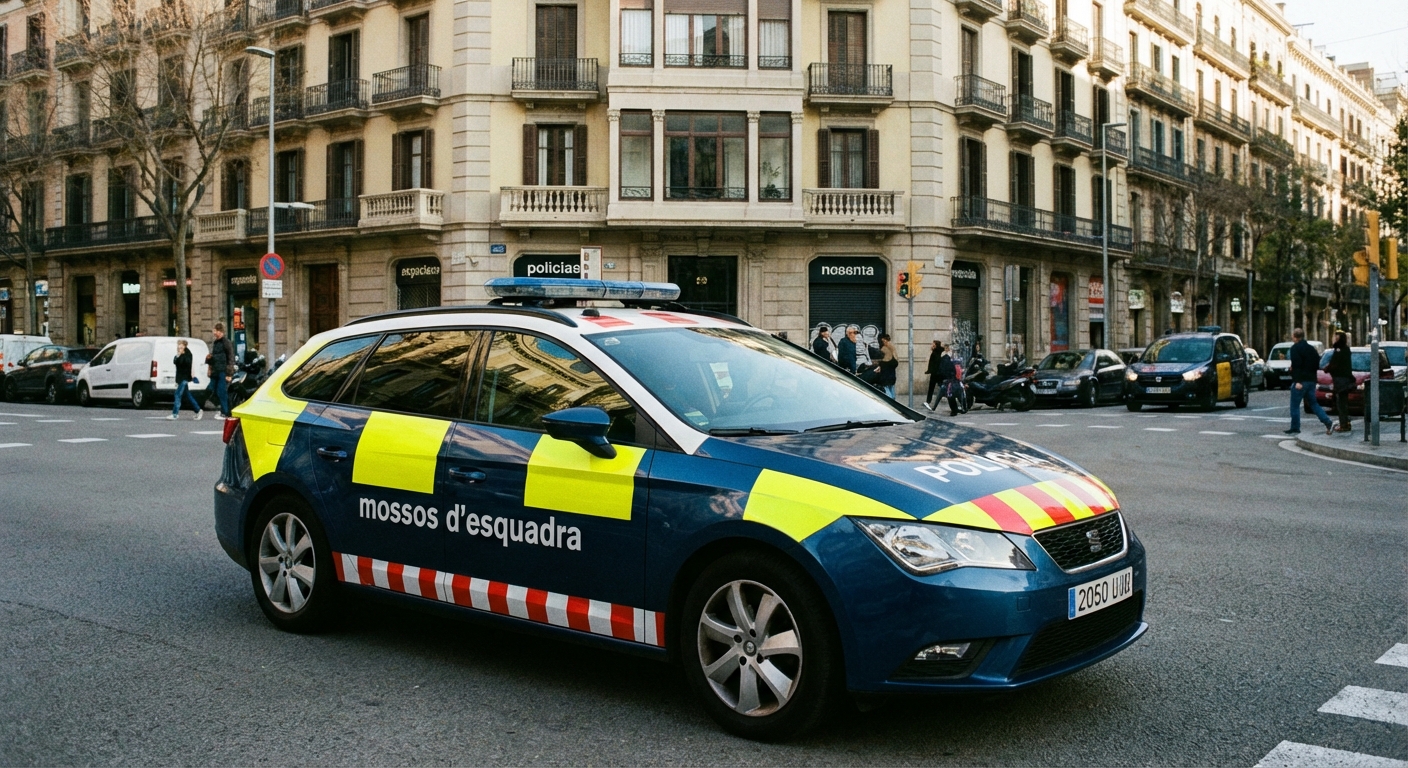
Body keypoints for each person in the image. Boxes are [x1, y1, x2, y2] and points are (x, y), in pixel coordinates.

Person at [1285, 327, 1333, 436]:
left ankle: (1295, 427)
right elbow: (1317, 363)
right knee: (1313, 403)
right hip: (1311, 380)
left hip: (1300, 381)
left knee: (1295, 405)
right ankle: (1327, 421)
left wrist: (1297, 380)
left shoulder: (1295, 348)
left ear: (1295, 337)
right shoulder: (1311, 349)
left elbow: (1297, 365)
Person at [168, 340, 203, 421]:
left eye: (181, 346)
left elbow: (185, 363)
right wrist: (178, 355)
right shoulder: (179, 354)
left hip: (184, 378)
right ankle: (198, 410)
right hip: (180, 378)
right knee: (187, 395)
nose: (179, 347)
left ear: (184, 346)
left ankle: (175, 414)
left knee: (177, 395)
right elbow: (175, 362)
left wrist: (180, 356)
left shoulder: (188, 354)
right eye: (178, 346)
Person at [1326, 331, 1354, 433]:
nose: (1333, 339)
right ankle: (1346, 423)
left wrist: (1327, 369)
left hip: (1340, 380)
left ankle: (1344, 425)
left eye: (1335, 337)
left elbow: (1334, 363)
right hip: (1346, 379)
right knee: (1343, 402)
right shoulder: (1346, 349)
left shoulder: (1339, 350)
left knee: (1341, 403)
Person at [209, 322, 236, 421]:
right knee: (211, 389)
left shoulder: (226, 342)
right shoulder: (216, 343)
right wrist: (209, 360)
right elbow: (216, 356)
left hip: (222, 370)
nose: (214, 333)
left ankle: (225, 412)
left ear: (220, 331)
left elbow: (230, 357)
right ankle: (222, 409)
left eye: (215, 331)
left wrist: (229, 373)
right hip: (216, 370)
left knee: (221, 391)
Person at [937, 343, 963, 416]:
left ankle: (956, 409)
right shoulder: (946, 357)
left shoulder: (948, 358)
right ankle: (955, 410)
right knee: (951, 394)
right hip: (950, 379)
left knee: (951, 394)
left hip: (951, 379)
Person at [923, 337, 944, 410]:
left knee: (932, 387)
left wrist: (930, 370)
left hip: (935, 373)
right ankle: (928, 401)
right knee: (941, 385)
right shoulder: (938, 352)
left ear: (935, 345)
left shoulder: (935, 353)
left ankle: (928, 401)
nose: (932, 345)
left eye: (933, 344)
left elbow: (932, 363)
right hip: (937, 372)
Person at [876, 334, 899, 399]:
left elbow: (883, 361)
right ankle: (893, 400)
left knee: (886, 388)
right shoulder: (892, 348)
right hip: (892, 374)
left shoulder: (884, 349)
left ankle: (891, 401)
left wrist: (880, 365)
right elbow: (896, 361)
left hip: (886, 374)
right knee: (891, 387)